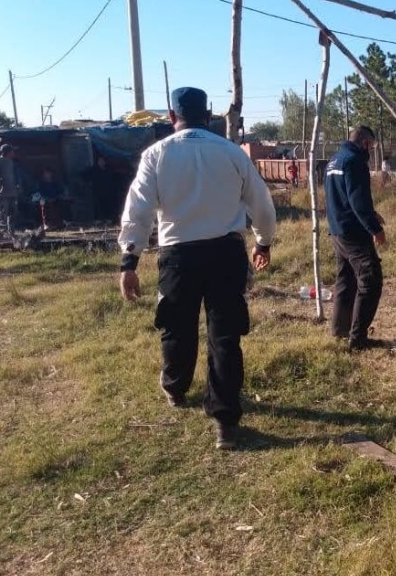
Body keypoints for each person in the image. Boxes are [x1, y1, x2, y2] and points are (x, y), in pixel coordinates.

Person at [118, 87, 277, 450]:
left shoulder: (156, 155)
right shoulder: (231, 152)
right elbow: (262, 205)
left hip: (178, 256)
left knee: (177, 326)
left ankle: (175, 387)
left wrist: (129, 261)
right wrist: (263, 241)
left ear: (173, 117)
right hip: (226, 254)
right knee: (225, 336)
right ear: (208, 116)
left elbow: (137, 211)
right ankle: (225, 422)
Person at [324, 125, 386, 350]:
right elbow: (358, 201)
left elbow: (341, 195)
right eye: (372, 145)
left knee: (346, 280)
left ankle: (340, 330)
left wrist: (372, 213)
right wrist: (375, 229)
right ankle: (358, 339)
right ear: (365, 142)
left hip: (338, 229)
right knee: (370, 279)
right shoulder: (355, 161)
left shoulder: (334, 161)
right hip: (354, 232)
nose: (371, 150)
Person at [0, 144, 19, 236]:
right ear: (7, 152)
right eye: (12, 151)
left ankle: (11, 232)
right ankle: (1, 233)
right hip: (2, 192)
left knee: (13, 213)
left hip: (12, 191)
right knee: (3, 213)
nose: (14, 153)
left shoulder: (11, 162)